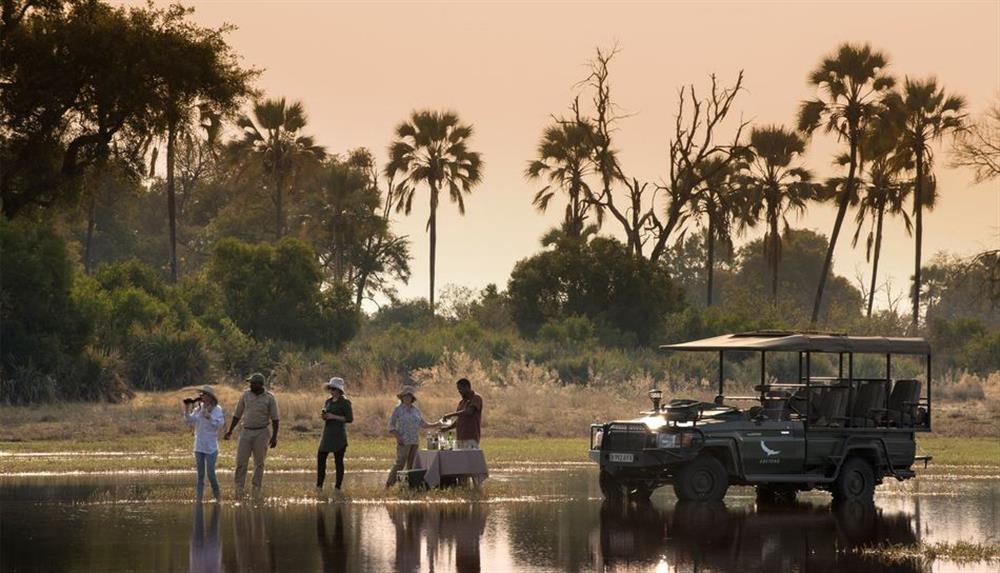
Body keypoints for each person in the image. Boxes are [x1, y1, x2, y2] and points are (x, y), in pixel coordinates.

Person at [224, 372, 279, 497]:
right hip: (246, 431)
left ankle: (256, 489)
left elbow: (275, 419)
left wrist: (275, 437)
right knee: (241, 462)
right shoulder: (245, 395)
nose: (250, 385)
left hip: (262, 432)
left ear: (260, 384)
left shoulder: (269, 398)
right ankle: (239, 489)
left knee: (259, 463)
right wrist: (230, 430)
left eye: (253, 383)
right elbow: (237, 414)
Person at [386, 385, 440, 487]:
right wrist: (398, 437)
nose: (407, 398)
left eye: (409, 396)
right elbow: (391, 425)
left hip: (415, 440)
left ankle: (408, 485)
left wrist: (436, 424)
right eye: (405, 396)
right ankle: (389, 484)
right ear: (402, 397)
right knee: (400, 463)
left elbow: (423, 424)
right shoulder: (398, 409)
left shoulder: (416, 410)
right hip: (403, 440)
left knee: (412, 464)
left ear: (412, 398)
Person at [183, 385, 224, 502]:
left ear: (210, 397)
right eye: (201, 394)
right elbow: (189, 421)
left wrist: (209, 416)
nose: (201, 396)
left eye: (203, 394)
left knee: (211, 474)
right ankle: (199, 500)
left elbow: (219, 425)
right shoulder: (199, 409)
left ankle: (218, 499)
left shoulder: (217, 409)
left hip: (211, 447)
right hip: (199, 446)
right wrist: (187, 408)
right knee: (200, 476)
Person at [317, 377, 353, 493]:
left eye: (333, 389)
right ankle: (319, 486)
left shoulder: (345, 403)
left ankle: (337, 487)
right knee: (321, 458)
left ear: (339, 390)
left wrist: (334, 417)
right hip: (327, 434)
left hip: (339, 435)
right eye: (330, 389)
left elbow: (349, 419)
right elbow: (326, 414)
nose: (331, 391)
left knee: (338, 462)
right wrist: (325, 416)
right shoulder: (328, 401)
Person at [443, 378, 483, 449]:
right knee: (460, 459)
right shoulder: (461, 402)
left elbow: (469, 412)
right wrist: (447, 428)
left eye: (461, 389)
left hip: (471, 438)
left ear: (467, 387)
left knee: (470, 459)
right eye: (458, 390)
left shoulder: (476, 398)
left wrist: (450, 415)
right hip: (460, 438)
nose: (459, 391)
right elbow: (459, 419)